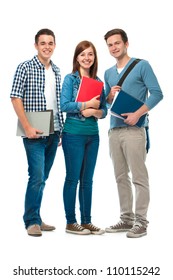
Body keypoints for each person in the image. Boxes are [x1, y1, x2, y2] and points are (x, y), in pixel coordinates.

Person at [104, 28, 163, 238]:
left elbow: (157, 93)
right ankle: (126, 219)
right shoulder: (109, 73)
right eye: (110, 45)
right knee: (120, 177)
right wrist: (109, 95)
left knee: (139, 177)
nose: (114, 47)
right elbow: (105, 104)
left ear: (126, 43)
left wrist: (138, 114)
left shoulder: (142, 65)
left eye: (117, 43)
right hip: (114, 130)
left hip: (134, 130)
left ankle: (141, 222)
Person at [10, 28, 64, 237]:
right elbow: (15, 97)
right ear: (36, 46)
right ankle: (31, 221)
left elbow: (58, 103)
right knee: (37, 175)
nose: (47, 47)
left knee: (43, 177)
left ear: (54, 46)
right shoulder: (25, 67)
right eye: (43, 43)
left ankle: (37, 217)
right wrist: (27, 127)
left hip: (54, 130)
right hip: (34, 129)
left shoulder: (57, 71)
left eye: (50, 43)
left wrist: (60, 129)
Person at [60, 40, 107, 235]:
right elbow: (65, 105)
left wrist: (94, 113)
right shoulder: (70, 79)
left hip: (92, 136)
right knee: (73, 179)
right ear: (76, 58)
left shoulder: (98, 82)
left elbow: (104, 110)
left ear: (94, 58)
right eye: (83, 54)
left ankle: (86, 221)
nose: (87, 58)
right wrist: (85, 105)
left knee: (88, 180)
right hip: (73, 134)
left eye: (90, 54)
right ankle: (71, 222)